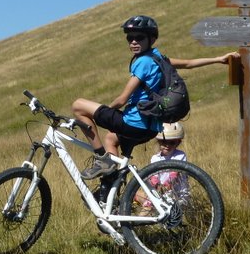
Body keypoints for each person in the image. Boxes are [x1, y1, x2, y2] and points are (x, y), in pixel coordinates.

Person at [73, 15, 238, 180]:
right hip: (151, 128)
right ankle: (112, 191)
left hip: (134, 124)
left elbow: (122, 99)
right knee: (111, 138)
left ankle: (102, 159)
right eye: (130, 38)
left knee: (78, 106)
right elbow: (188, 63)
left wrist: (105, 111)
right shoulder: (158, 58)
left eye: (139, 38)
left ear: (151, 39)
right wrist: (218, 59)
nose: (133, 42)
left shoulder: (143, 62)